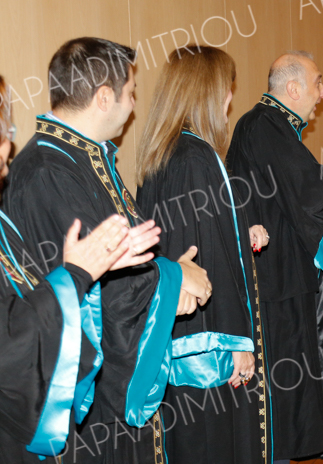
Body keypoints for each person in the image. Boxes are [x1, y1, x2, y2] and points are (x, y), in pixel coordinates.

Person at [4, 38, 211, 464]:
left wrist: (172, 276)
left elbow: (120, 257)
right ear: (103, 97)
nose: (134, 107)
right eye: (131, 93)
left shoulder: (83, 157)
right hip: (87, 400)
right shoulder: (47, 169)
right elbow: (96, 277)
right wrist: (174, 279)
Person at [0, 73, 161, 464]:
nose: (9, 143)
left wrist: (85, 270)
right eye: (4, 130)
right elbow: (12, 342)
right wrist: (76, 275)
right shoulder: (47, 167)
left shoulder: (85, 155)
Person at [135, 47, 271, 463]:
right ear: (207, 92)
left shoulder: (165, 155)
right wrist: (236, 344)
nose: (229, 100)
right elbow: (205, 258)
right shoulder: (196, 158)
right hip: (205, 351)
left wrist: (239, 231)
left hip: (175, 341)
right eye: (227, 88)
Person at [226, 51, 323, 461]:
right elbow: (309, 194)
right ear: (293, 89)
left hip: (282, 280)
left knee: (287, 400)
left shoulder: (269, 126)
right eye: (318, 83)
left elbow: (296, 201)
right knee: (280, 403)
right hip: (276, 287)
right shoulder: (265, 125)